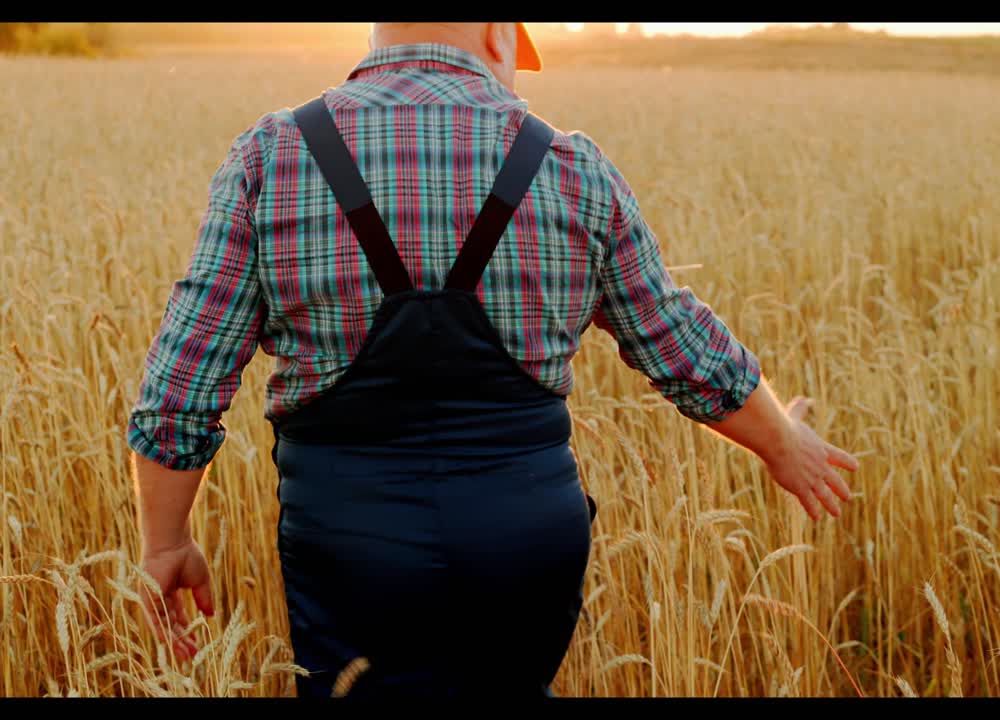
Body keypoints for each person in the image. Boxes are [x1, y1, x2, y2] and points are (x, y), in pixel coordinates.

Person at [127, 22, 860, 698]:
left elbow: (180, 392)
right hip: (527, 545)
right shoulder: (570, 164)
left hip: (349, 551)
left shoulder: (272, 155)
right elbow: (678, 339)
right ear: (494, 31)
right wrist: (781, 440)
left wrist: (166, 542)